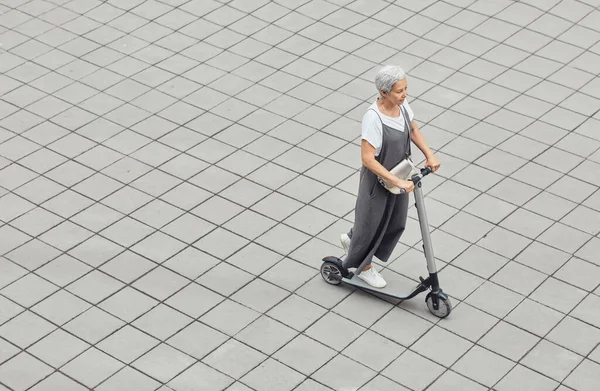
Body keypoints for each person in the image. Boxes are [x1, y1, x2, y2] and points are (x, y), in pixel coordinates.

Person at [340, 65, 440, 288]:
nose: (404, 94)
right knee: (372, 224)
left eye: (405, 89)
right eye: (399, 91)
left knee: (396, 222)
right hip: (379, 181)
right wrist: (396, 182)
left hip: (400, 175)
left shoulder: (402, 106)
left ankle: (352, 238)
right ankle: (363, 266)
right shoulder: (374, 118)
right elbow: (367, 158)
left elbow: (413, 130)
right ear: (383, 92)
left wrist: (429, 155)